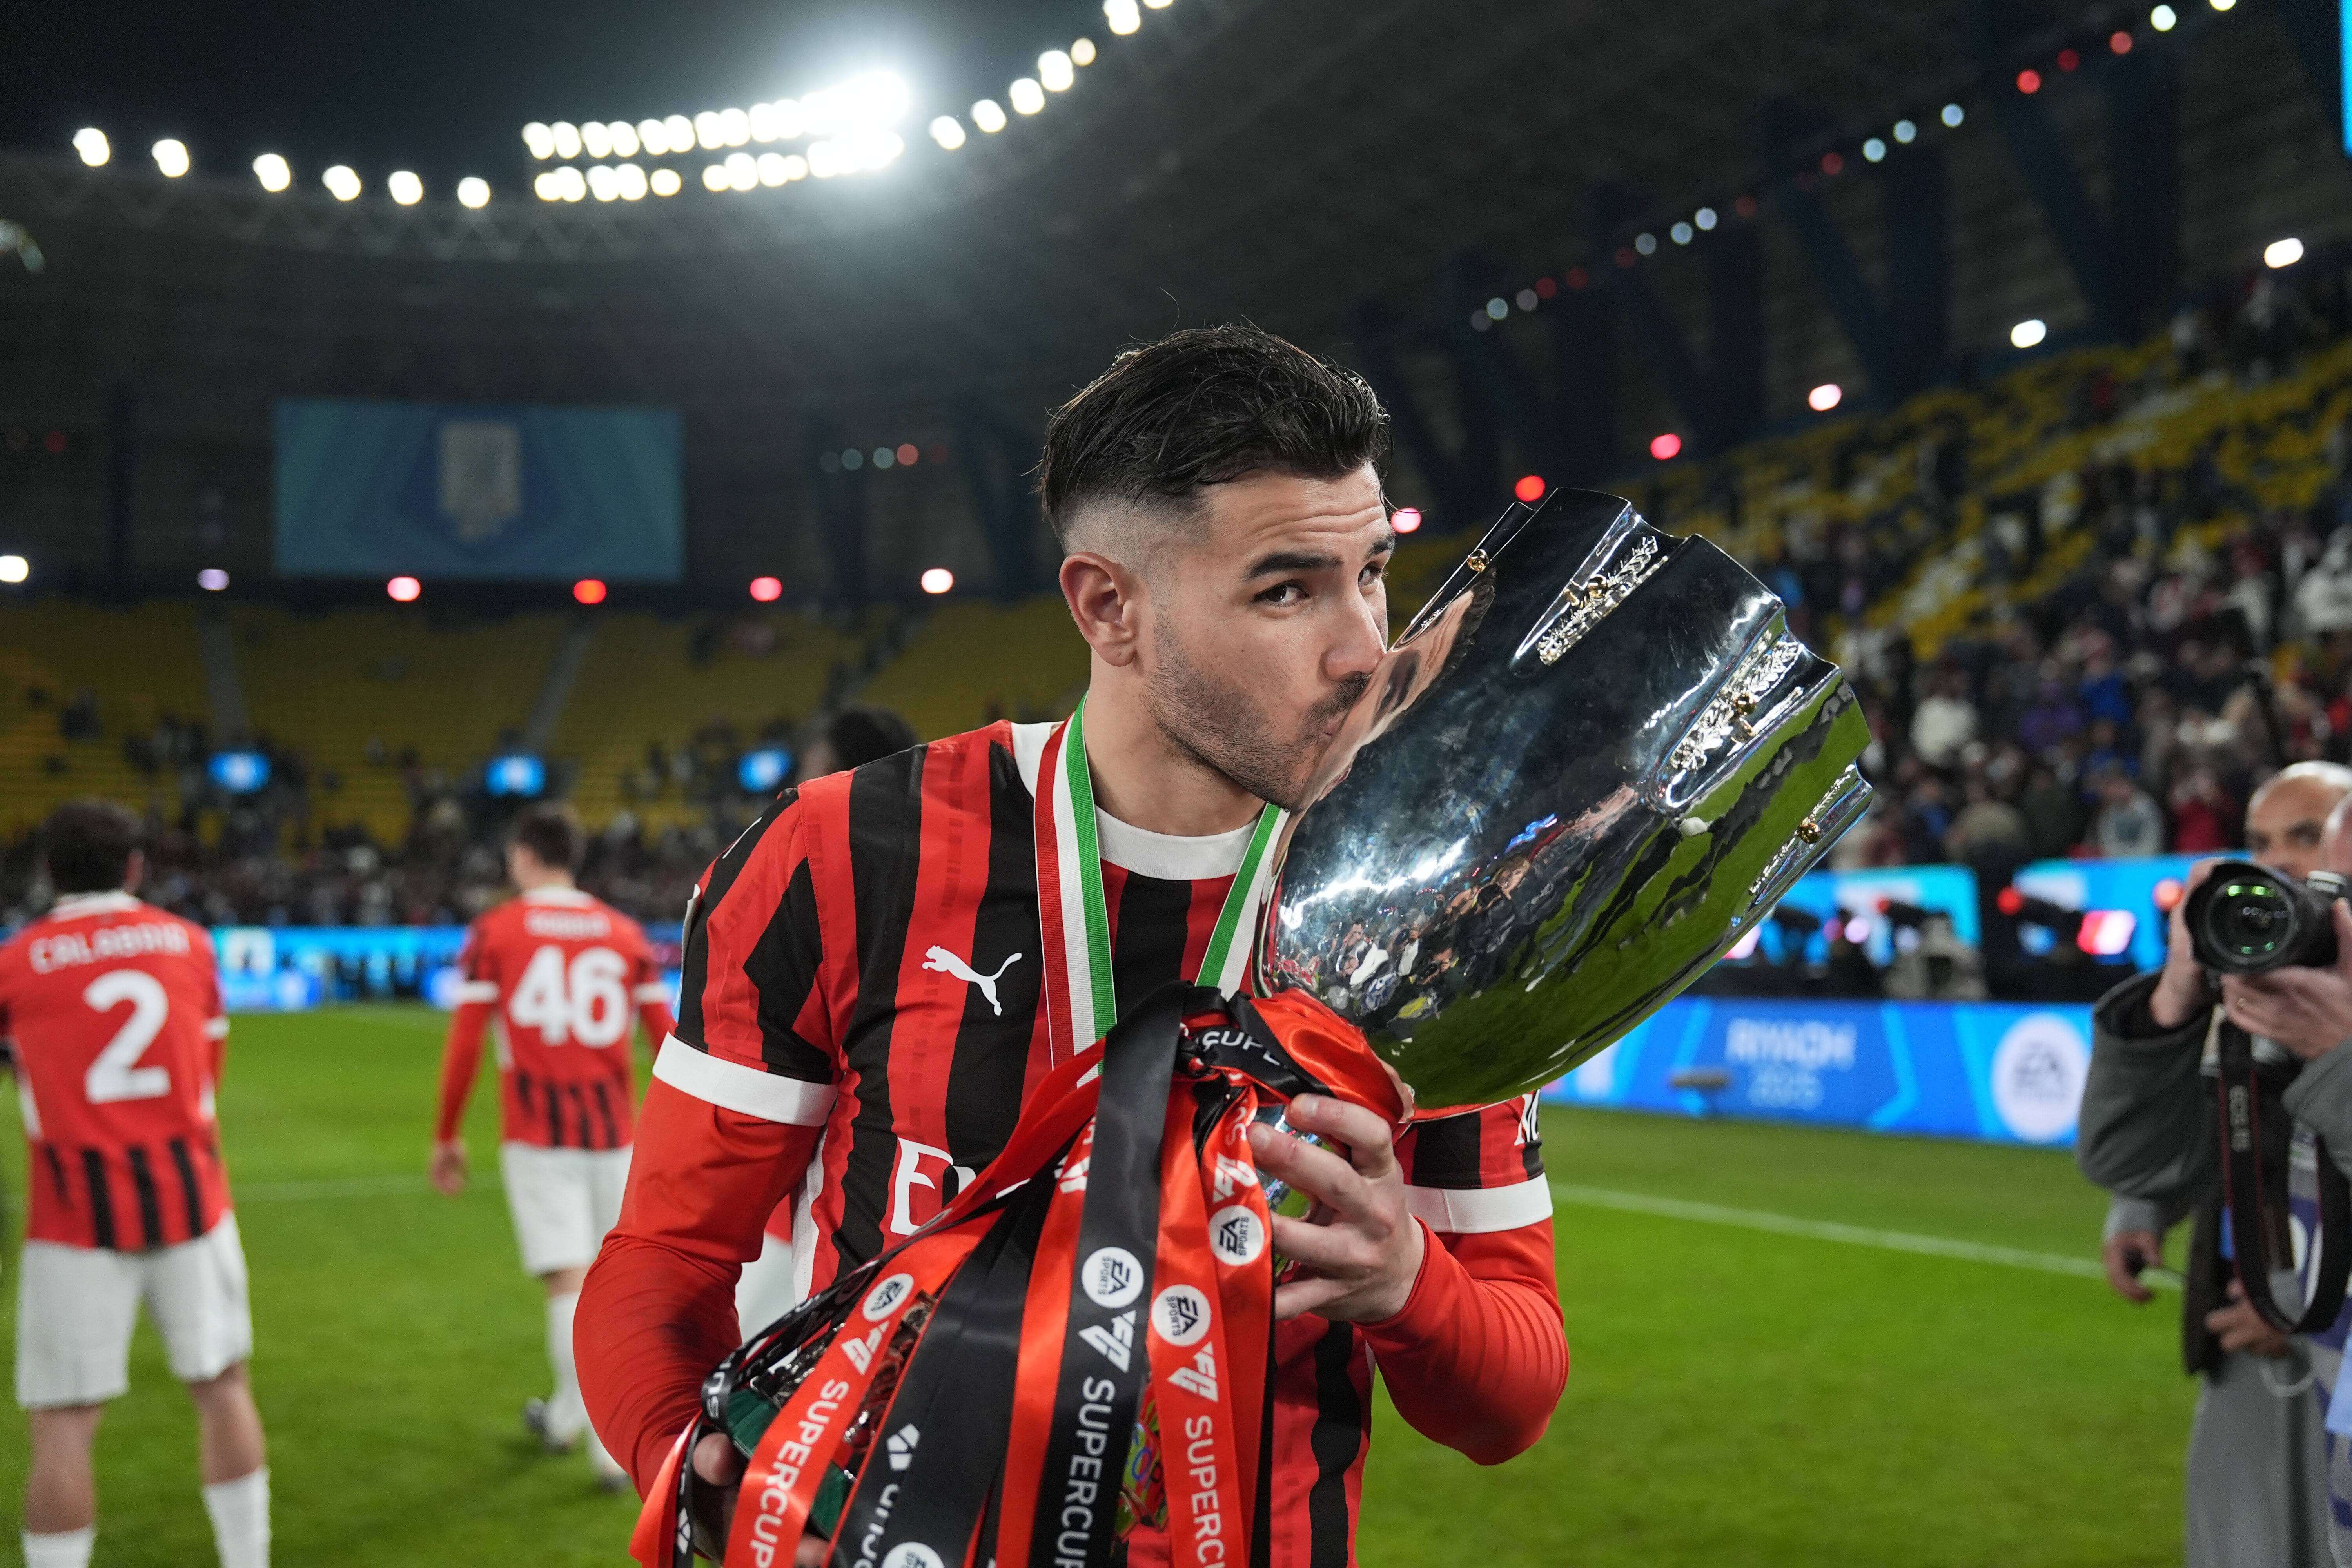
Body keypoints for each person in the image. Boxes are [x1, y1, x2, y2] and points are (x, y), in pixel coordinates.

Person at [577, 325, 1567, 1563]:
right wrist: (697, 1464)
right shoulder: (837, 858)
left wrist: (1407, 1280)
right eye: (1286, 588)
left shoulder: (1438, 905)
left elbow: (1511, 1399)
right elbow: (667, 1262)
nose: (1366, 647)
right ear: (1110, 607)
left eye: (1372, 571)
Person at [2078, 761, 2352, 1566]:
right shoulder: (2263, 1003)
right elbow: (2131, 1153)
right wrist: (2176, 996)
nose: (2285, 866)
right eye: (2263, 842)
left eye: (2308, 839)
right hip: (2256, 1337)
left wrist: (2303, 1308)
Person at [0, 800, 270, 1568]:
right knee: (223, 1386)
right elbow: (207, 1074)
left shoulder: (16, 961)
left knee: (61, 1422)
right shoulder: (189, 945)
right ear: (135, 867)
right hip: (193, 1201)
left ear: (48, 870)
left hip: (72, 1218)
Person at [430, 803, 676, 1490]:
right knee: (609, 1286)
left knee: (568, 1286)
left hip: (540, 1139)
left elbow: (466, 1042)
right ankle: (567, 1419)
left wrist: (447, 1134)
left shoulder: (498, 930)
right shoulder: (623, 933)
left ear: (525, 856)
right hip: (617, 1137)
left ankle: (606, 1443)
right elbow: (670, 1039)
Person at [736, 702, 920, 1339]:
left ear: (845, 771)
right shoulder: (942, 875)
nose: (796, 787)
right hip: (909, 1196)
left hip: (817, 1198)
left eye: (811, 768)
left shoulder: (812, 871)